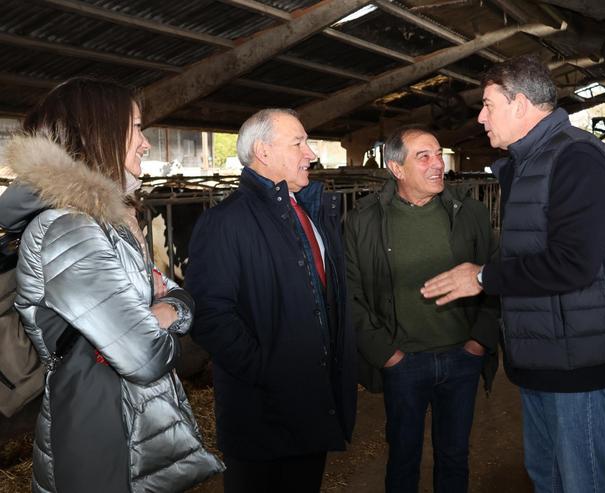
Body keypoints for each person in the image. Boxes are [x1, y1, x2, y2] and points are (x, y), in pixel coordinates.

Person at [420, 56, 605, 493]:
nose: (480, 116)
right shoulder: (530, 161)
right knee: (549, 477)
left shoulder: (577, 157)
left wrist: (483, 278)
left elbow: (574, 263)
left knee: (580, 482)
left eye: (488, 104)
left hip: (579, 361)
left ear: (521, 104)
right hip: (546, 355)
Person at [0, 78, 223, 493]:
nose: (146, 143)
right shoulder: (70, 230)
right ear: (98, 131)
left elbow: (169, 299)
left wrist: (169, 310)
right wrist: (171, 318)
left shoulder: (105, 224)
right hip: (101, 426)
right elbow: (146, 357)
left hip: (119, 418)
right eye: (137, 127)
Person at [186, 108, 356, 493]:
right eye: (298, 143)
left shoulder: (310, 212)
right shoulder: (225, 222)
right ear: (262, 151)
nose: (310, 153)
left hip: (313, 404)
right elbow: (210, 314)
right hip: (263, 415)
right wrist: (269, 370)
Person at [344, 125, 499, 492]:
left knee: (454, 456)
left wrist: (479, 341)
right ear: (397, 169)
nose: (437, 165)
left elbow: (495, 276)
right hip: (403, 362)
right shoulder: (364, 220)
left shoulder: (470, 212)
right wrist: (387, 355)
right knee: (402, 457)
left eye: (438, 155)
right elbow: (351, 294)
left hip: (462, 356)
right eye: (423, 157)